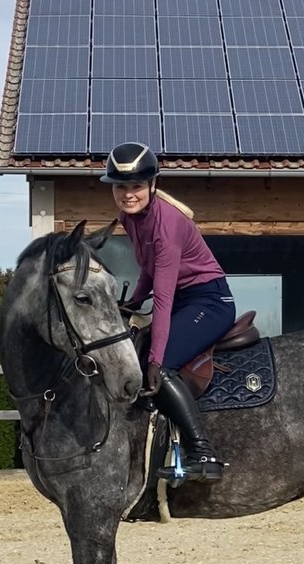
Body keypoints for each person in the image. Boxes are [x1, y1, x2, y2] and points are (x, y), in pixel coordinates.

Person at [101, 141, 236, 483]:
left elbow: (162, 300)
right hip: (181, 301)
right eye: (120, 187)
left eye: (135, 186)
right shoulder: (129, 219)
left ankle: (203, 455)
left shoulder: (166, 224)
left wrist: (157, 363)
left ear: (152, 185)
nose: (128, 194)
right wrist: (132, 302)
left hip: (209, 302)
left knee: (162, 367)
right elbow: (148, 270)